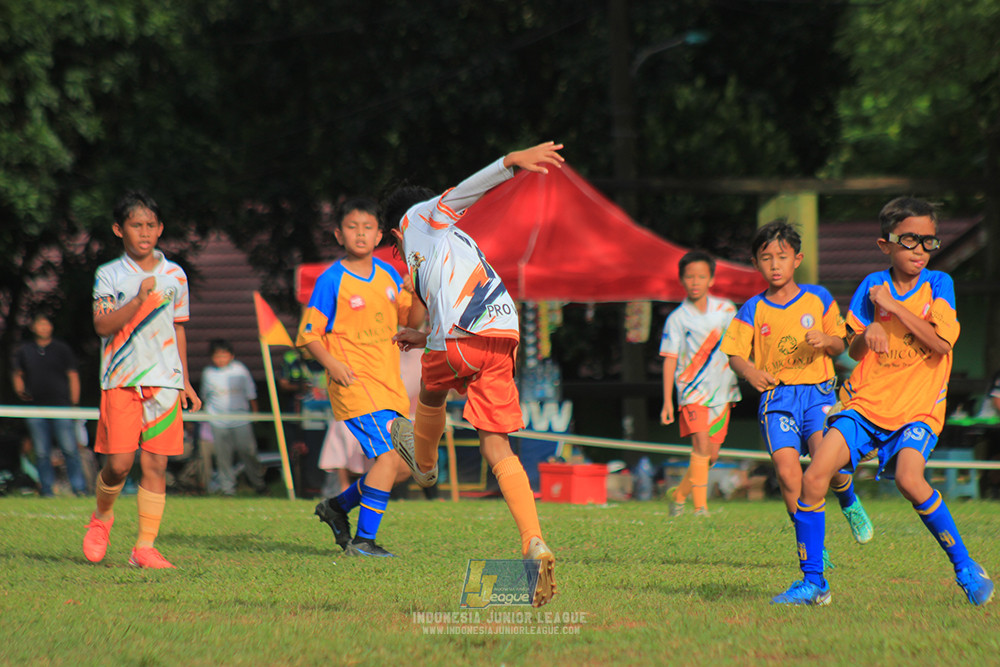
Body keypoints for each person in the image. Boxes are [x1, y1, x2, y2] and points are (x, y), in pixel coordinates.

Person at [771, 198, 994, 606]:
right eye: (910, 240)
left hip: (919, 406)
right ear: (885, 244)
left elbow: (942, 344)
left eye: (928, 242)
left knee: (911, 480)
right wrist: (868, 330)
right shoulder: (871, 285)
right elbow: (853, 351)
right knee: (814, 477)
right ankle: (813, 583)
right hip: (865, 403)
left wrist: (892, 310)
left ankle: (965, 567)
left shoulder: (940, 284)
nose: (920, 251)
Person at [385, 141, 564, 607]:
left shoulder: (421, 217)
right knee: (496, 444)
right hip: (500, 336)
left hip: (460, 342)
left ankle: (424, 464)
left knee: (429, 390)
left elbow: (464, 192)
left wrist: (509, 163)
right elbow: (448, 307)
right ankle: (533, 541)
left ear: (394, 232)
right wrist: (420, 335)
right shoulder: (449, 248)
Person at [720, 220, 874, 562]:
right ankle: (812, 548)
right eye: (766, 258)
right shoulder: (752, 309)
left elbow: (841, 343)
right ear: (756, 263)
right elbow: (733, 353)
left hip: (818, 395)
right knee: (789, 474)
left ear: (797, 259)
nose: (775, 265)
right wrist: (750, 371)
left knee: (826, 463)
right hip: (778, 399)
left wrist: (827, 341)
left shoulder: (818, 298)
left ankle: (848, 500)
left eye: (782, 256)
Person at [300, 197, 426, 557]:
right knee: (387, 459)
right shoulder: (331, 280)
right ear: (339, 234)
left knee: (398, 466)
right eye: (352, 227)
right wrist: (332, 365)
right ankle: (364, 541)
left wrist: (415, 287)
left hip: (390, 386)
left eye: (367, 227)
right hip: (355, 385)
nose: (360, 233)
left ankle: (337, 507)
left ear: (379, 235)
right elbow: (309, 334)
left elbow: (412, 322)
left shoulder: (388, 276)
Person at [82, 190, 201, 569]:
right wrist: (136, 300)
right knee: (118, 464)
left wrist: (184, 379)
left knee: (156, 465)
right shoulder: (109, 275)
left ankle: (144, 548)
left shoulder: (175, 275)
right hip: (121, 379)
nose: (144, 232)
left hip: (165, 381)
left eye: (151, 225)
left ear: (161, 229)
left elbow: (178, 329)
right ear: (120, 229)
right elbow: (102, 325)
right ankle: (102, 518)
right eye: (136, 225)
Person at [659, 251, 742, 517]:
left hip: (723, 391)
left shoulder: (727, 310)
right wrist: (667, 401)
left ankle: (679, 495)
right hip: (692, 392)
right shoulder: (677, 318)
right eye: (690, 277)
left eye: (701, 276)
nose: (695, 282)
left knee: (711, 456)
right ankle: (700, 508)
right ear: (682, 280)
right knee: (702, 447)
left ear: (711, 279)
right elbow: (670, 359)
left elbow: (741, 343)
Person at [11, 313, 88, 497]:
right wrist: (21, 390)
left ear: (51, 327)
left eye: (47, 324)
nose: (44, 328)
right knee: (41, 452)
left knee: (70, 449)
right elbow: (17, 373)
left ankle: (79, 488)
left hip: (62, 407)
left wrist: (74, 403)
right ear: (33, 327)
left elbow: (73, 375)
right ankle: (46, 490)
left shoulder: (62, 349)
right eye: (40, 324)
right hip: (35, 408)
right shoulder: (25, 350)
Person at [200, 338, 267, 496]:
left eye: (224, 355)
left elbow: (251, 394)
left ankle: (258, 484)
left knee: (248, 452)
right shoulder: (208, 373)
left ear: (231, 355)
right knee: (223, 458)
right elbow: (205, 397)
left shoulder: (240, 370)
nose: (221, 359)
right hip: (218, 421)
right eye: (217, 356)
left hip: (241, 420)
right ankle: (227, 489)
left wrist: (255, 413)